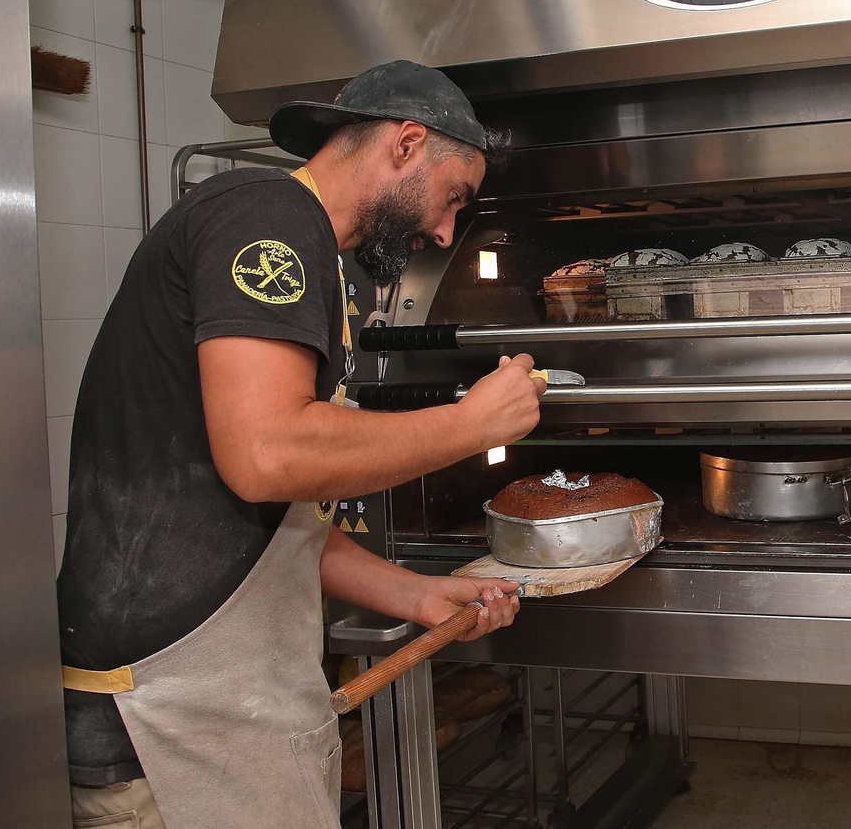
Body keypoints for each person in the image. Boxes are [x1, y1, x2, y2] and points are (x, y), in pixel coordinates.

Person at [57, 60, 539, 829]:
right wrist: (472, 425)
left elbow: (274, 519)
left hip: (216, 707)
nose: (445, 232)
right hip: (165, 723)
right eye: (454, 197)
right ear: (406, 144)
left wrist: (414, 594)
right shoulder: (267, 215)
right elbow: (268, 455)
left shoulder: (304, 246)